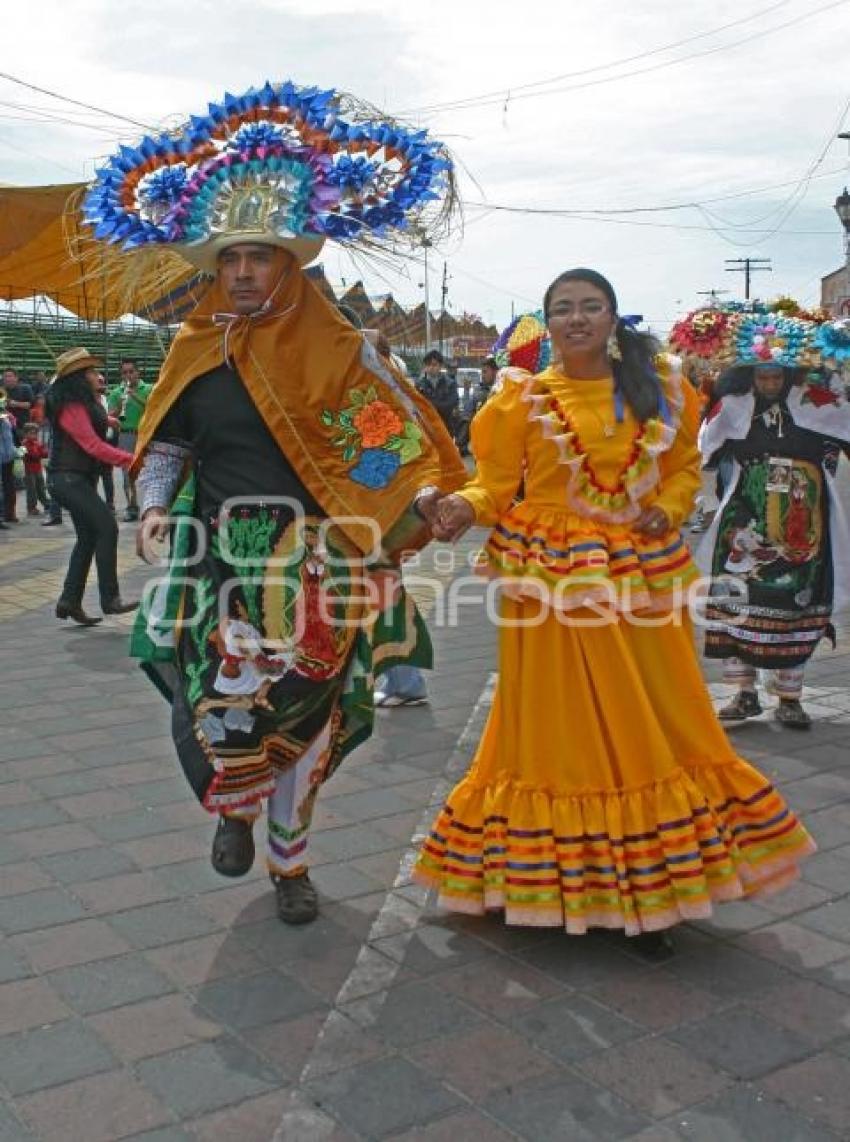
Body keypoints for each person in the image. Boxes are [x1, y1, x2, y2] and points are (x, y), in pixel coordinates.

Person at [83, 77, 465, 925]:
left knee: (307, 712)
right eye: (231, 259)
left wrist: (425, 502)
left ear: (289, 263)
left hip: (320, 567)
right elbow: (172, 443)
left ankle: (289, 862)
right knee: (221, 701)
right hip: (217, 559)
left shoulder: (340, 350)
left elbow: (392, 450)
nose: (245, 272)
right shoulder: (195, 347)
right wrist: (151, 505)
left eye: (260, 257)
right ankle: (232, 812)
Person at [414, 267, 815, 947]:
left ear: (612, 317)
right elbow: (494, 484)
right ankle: (552, 880)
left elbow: (686, 465)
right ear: (548, 322)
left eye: (590, 306)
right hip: (548, 582)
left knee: (651, 711)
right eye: (563, 308)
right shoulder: (522, 399)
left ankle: (650, 884)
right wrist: (460, 506)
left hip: (638, 575)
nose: (576, 319)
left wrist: (664, 506)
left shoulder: (659, 389)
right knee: (554, 724)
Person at [698, 356, 850, 729]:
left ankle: (790, 698)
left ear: (789, 374)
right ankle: (743, 693)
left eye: (776, 375)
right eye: (761, 375)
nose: (768, 382)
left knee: (798, 602)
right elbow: (707, 450)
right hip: (747, 513)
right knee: (735, 601)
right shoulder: (734, 404)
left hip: (803, 516)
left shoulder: (815, 399)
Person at [44, 348, 139, 626]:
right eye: (92, 371)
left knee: (87, 538)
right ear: (78, 377)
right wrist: (131, 460)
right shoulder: (71, 405)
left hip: (76, 480)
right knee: (107, 527)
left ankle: (69, 601)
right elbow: (92, 445)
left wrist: (110, 419)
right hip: (67, 479)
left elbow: (95, 423)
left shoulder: (83, 402)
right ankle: (111, 598)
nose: (98, 375)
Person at [108, 358, 153, 521]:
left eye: (131, 372)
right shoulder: (115, 392)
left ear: (137, 372)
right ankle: (132, 507)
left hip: (145, 434)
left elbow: (154, 409)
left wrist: (134, 396)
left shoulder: (148, 389)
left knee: (150, 471)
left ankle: (151, 507)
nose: (128, 375)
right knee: (127, 474)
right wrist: (120, 405)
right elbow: (110, 417)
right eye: (124, 372)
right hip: (125, 434)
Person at [416, 349, 459, 433]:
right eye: (428, 365)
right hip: (426, 429)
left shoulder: (450, 384)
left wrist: (429, 405)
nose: (431, 367)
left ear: (440, 366)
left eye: (434, 365)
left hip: (445, 428)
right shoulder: (419, 385)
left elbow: (451, 404)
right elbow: (417, 406)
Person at [21, 423, 50, 516]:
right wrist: (40, 452)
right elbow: (32, 455)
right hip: (29, 470)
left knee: (41, 487)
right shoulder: (25, 444)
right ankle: (31, 507)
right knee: (31, 489)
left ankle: (46, 504)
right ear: (26, 434)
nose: (33, 435)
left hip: (38, 469)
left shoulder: (37, 443)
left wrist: (44, 451)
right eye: (31, 433)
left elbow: (44, 453)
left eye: (35, 433)